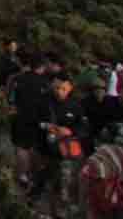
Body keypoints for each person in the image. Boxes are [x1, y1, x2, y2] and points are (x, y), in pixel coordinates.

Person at [35, 73, 90, 217]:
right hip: (45, 150)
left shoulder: (76, 105)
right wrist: (48, 127)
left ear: (70, 88)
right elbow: (34, 121)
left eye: (63, 89)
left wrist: (70, 131)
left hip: (66, 153)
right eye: (57, 88)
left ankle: (59, 213)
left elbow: (84, 128)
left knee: (62, 184)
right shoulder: (44, 102)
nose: (60, 91)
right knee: (44, 181)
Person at [11, 52, 51, 191]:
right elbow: (47, 105)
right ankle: (34, 175)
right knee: (34, 148)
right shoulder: (45, 83)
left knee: (21, 147)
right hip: (37, 120)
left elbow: (11, 98)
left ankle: (22, 175)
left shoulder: (18, 79)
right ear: (41, 67)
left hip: (20, 117)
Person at [85, 77, 123, 145]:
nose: (99, 90)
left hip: (111, 132)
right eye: (96, 88)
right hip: (95, 134)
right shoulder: (85, 102)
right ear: (92, 90)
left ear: (105, 89)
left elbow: (118, 119)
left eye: (102, 88)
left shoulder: (113, 101)